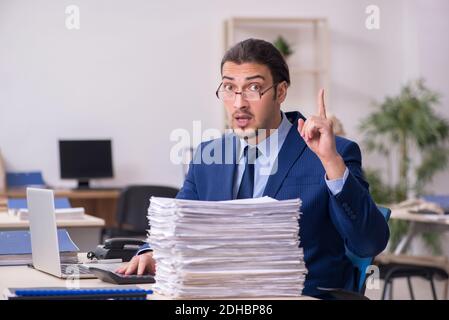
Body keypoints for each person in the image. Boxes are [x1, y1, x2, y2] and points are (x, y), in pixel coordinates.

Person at [116, 38, 389, 298]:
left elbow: (368, 242)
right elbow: (178, 223)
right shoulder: (209, 155)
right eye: (229, 88)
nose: (239, 103)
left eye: (253, 88)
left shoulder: (332, 153)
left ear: (280, 92)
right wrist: (152, 251)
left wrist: (331, 163)